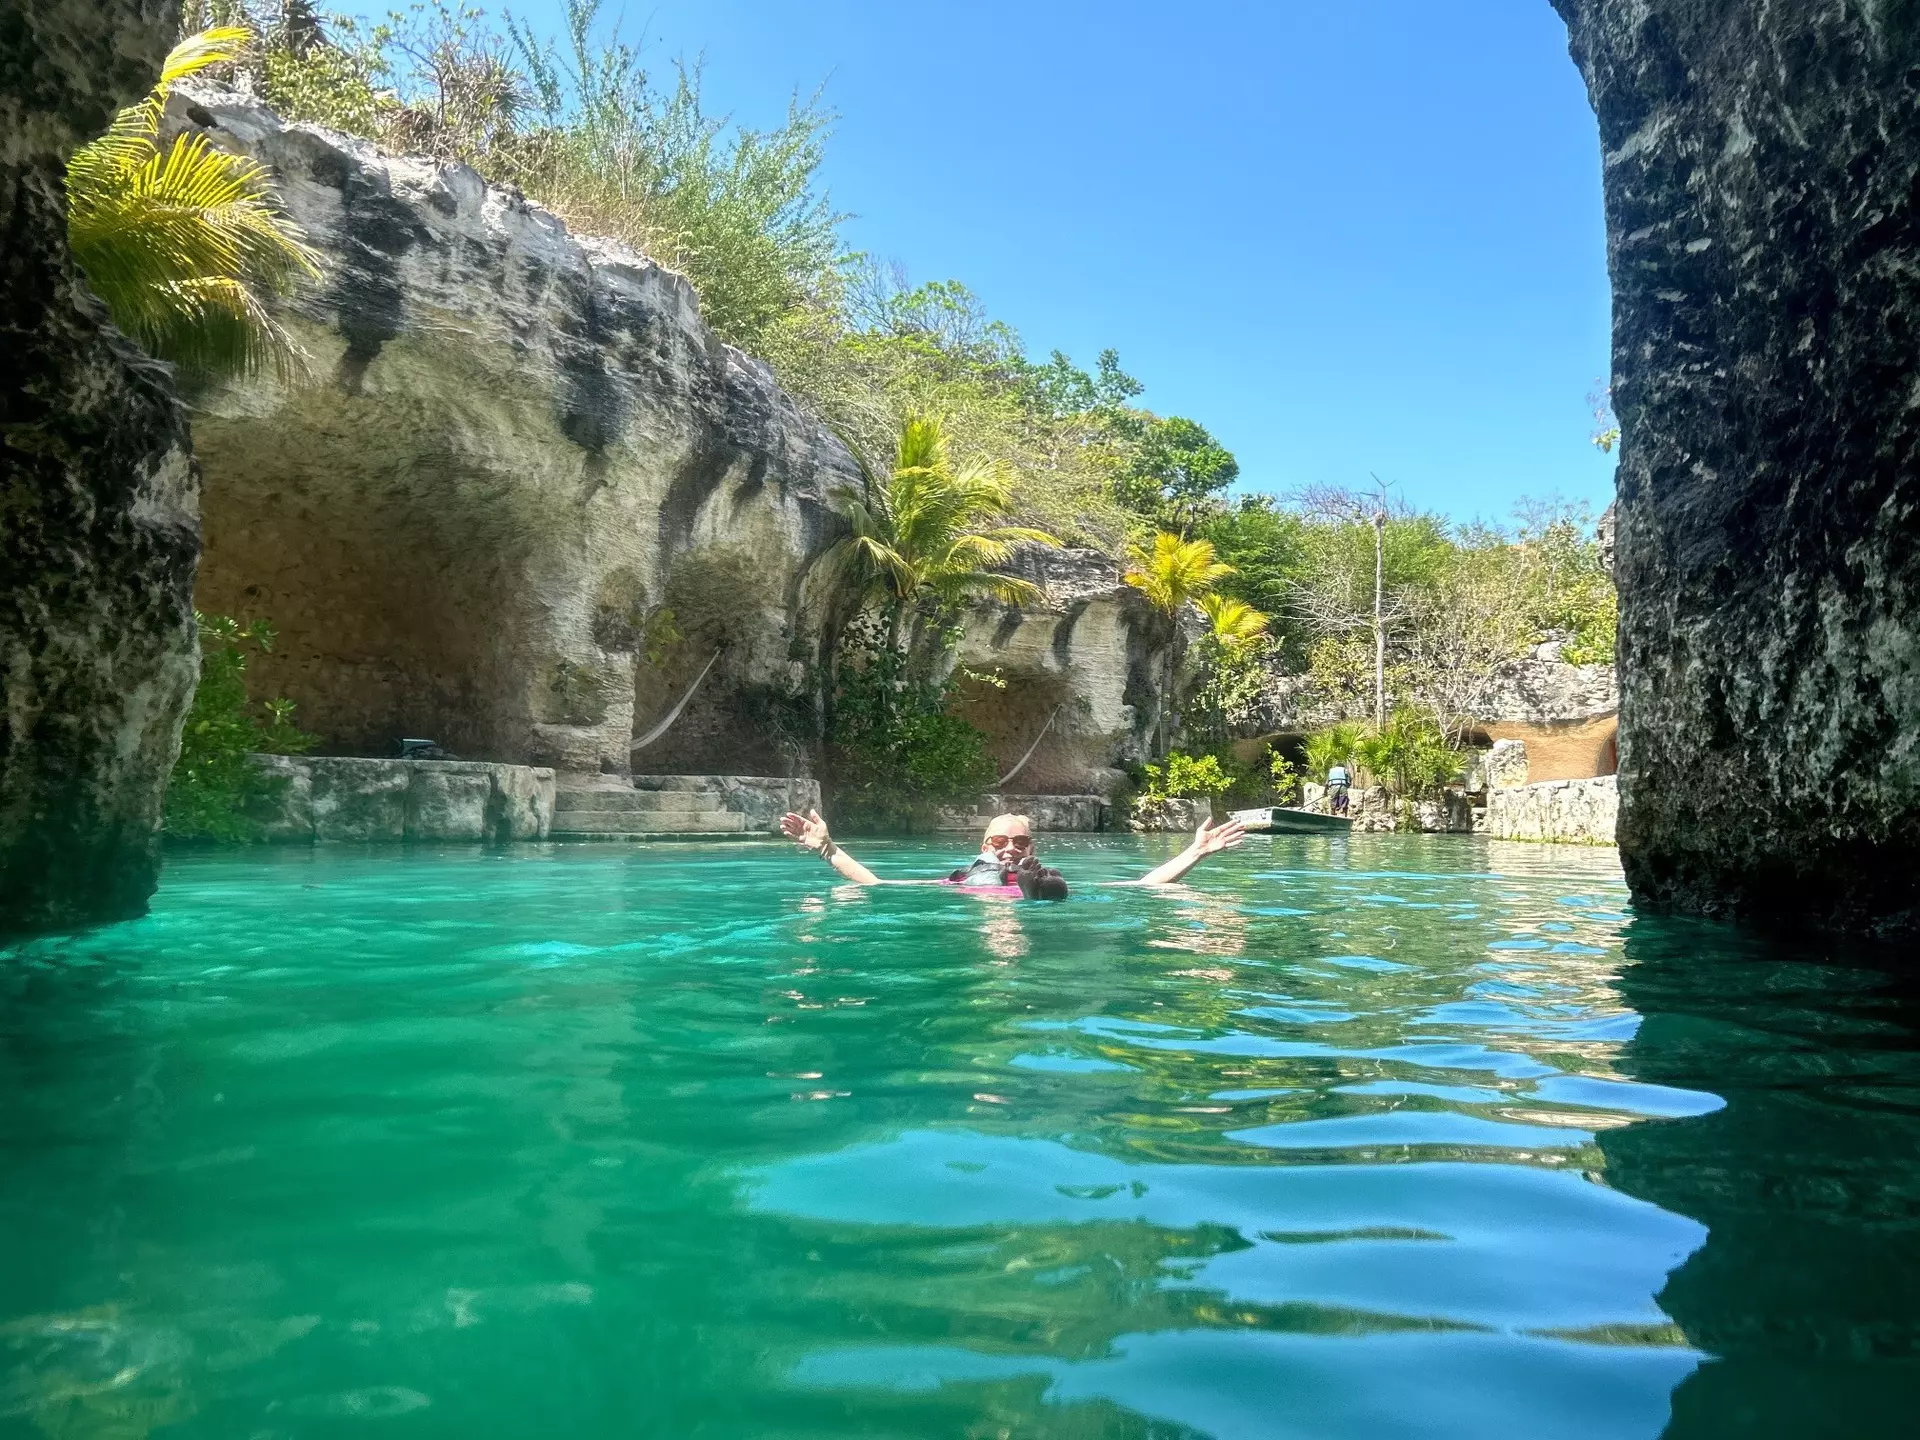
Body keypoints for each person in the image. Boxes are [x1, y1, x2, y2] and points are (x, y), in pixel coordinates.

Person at [778, 808, 1247, 897]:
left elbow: (1142, 886)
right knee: (1035, 893)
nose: (1008, 848)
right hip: (994, 898)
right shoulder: (960, 881)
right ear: (984, 847)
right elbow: (879, 886)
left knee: (1050, 888)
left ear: (1031, 847)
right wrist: (828, 850)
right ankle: (1032, 897)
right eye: (1000, 843)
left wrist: (1195, 852)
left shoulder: (1037, 868)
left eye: (1019, 842)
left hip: (1038, 894)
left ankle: (1036, 893)